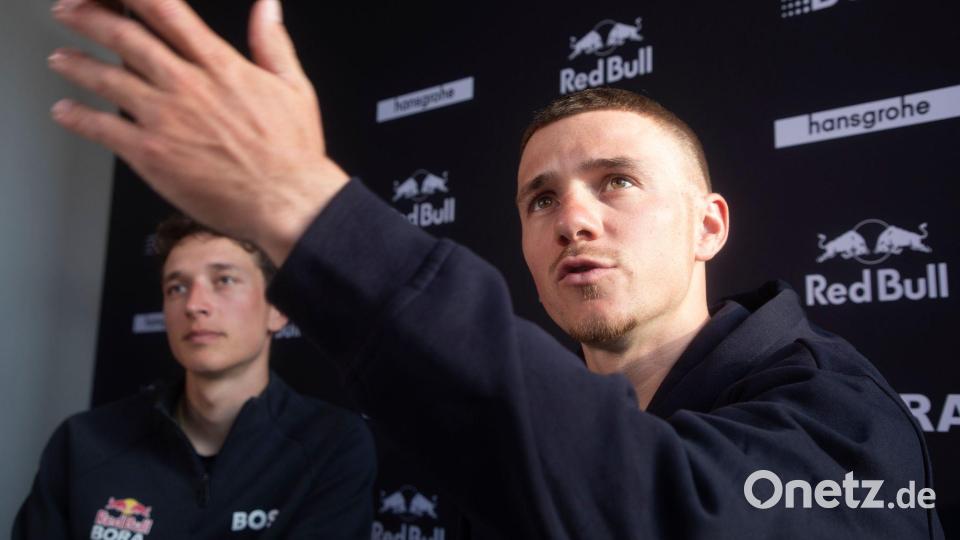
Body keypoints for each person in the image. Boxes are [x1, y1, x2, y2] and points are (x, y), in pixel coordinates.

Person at [45, 0, 944, 538]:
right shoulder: (516, 448)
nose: (574, 218)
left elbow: (670, 508)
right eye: (540, 200)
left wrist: (302, 207)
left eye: (617, 182)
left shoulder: (840, 415)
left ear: (708, 225)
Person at [13, 215, 377, 539]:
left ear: (278, 311)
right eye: (177, 288)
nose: (194, 304)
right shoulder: (83, 443)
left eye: (224, 280)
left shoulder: (331, 445)